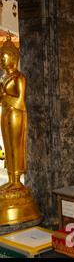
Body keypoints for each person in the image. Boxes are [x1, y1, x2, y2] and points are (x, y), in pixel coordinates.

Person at [0, 33, 27, 191]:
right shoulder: (3, 78)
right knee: (7, 145)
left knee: (16, 145)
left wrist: (5, 96)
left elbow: (20, 102)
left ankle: (17, 178)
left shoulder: (19, 78)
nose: (2, 61)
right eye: (1, 58)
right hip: (5, 114)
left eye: (4, 57)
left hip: (16, 114)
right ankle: (10, 178)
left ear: (13, 58)